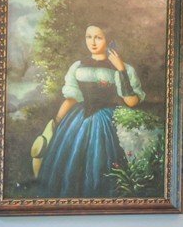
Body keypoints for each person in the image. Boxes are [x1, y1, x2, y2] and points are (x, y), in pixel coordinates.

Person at [32, 24, 144, 196]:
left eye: (98, 37)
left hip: (107, 121)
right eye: (89, 37)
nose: (92, 42)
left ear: (108, 40)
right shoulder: (77, 66)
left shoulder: (123, 67)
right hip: (77, 120)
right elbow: (71, 98)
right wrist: (56, 122)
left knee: (103, 161)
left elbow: (132, 102)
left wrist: (121, 69)